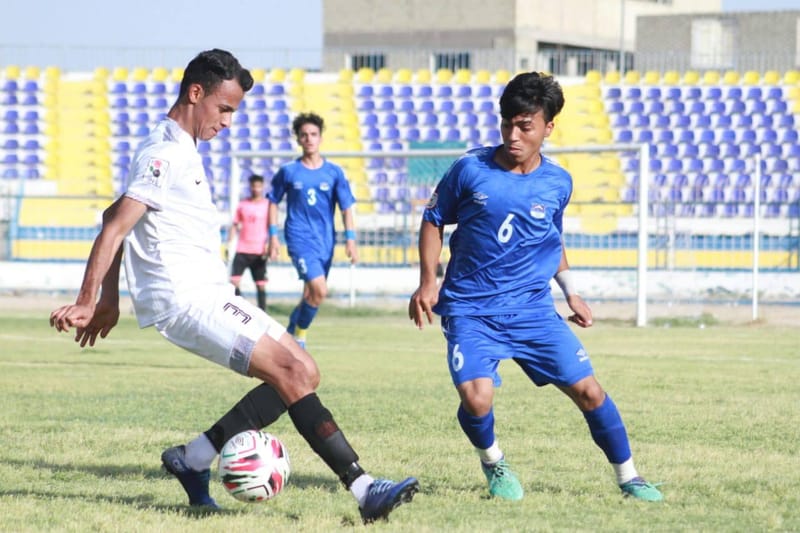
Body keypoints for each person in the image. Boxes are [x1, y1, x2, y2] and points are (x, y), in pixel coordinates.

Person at [49, 48, 418, 523]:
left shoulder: (180, 148)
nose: (228, 121)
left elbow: (111, 216)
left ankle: (195, 458)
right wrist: (91, 299)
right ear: (195, 93)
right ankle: (365, 489)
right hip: (185, 300)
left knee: (304, 370)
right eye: (224, 109)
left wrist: (111, 299)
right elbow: (115, 225)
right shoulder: (165, 154)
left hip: (212, 293)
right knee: (290, 371)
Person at [408, 71, 663, 503]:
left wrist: (571, 290)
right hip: (471, 308)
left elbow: (550, 238)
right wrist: (428, 282)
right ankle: (494, 462)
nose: (513, 134)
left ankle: (630, 477)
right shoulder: (470, 170)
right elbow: (433, 219)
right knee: (478, 398)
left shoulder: (558, 183)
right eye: (507, 123)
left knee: (589, 391)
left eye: (525, 125)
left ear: (547, 127)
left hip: (532, 310)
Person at [268, 112, 358, 348]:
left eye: (313, 134)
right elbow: (273, 202)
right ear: (298, 139)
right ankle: (299, 336)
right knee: (320, 290)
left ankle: (289, 333)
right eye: (304, 135)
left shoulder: (334, 172)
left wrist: (351, 239)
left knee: (311, 294)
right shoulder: (288, 172)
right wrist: (273, 237)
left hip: (326, 242)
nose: (309, 139)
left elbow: (346, 207)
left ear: (320, 137)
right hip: (299, 238)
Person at [228, 173, 269, 311]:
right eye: (253, 186)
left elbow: (272, 227)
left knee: (260, 284)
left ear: (262, 187)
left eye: (259, 186)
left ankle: (263, 313)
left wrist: (269, 245)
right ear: (250, 187)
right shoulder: (242, 205)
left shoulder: (267, 205)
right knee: (233, 281)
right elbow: (234, 225)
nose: (256, 189)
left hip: (259, 251)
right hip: (242, 249)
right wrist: (229, 243)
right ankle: (242, 310)